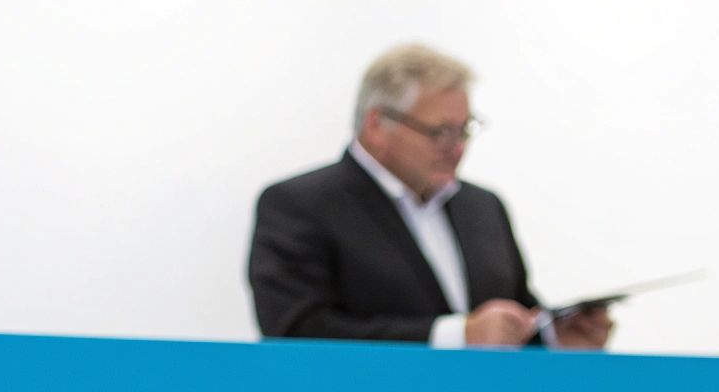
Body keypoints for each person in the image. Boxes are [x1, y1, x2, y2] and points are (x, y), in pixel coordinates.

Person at [247, 43, 611, 349]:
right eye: (439, 132)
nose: (455, 148)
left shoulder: (483, 208)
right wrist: (454, 334)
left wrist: (552, 336)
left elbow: (511, 316)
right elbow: (297, 331)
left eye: (464, 130)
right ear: (377, 125)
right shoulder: (301, 205)